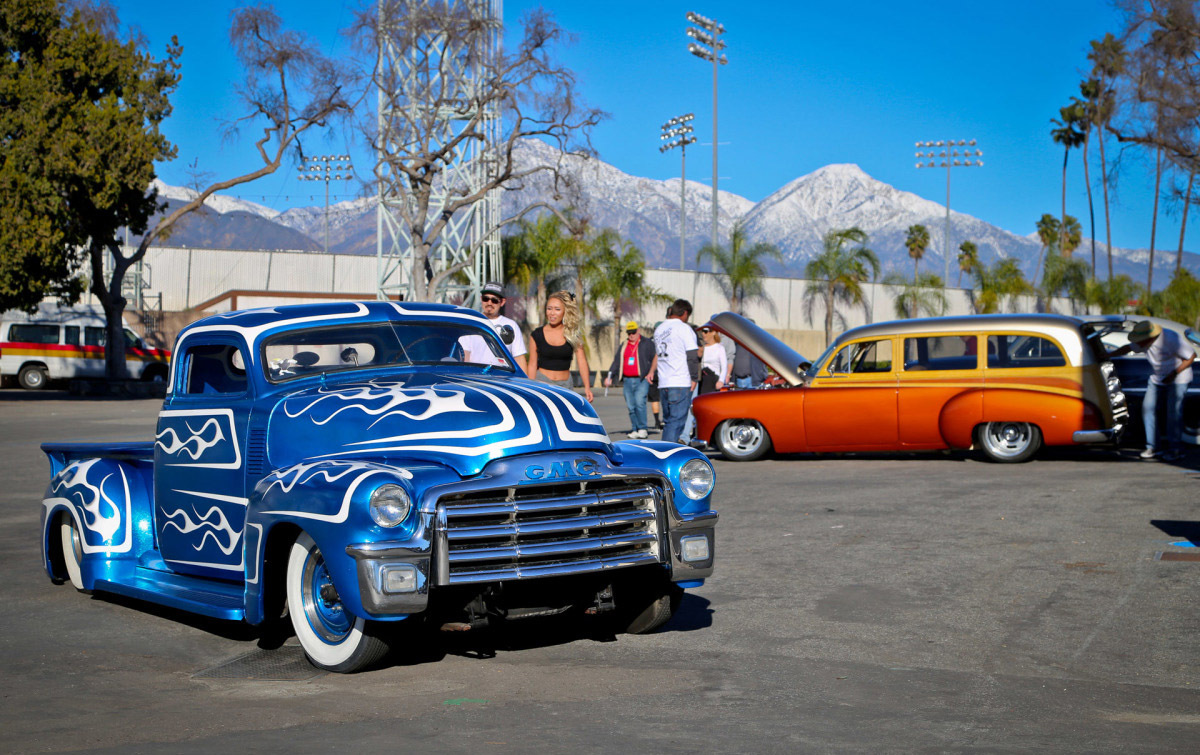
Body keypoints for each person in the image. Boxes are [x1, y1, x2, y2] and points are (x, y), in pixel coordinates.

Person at [1109, 319, 1195, 461]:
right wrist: (1109, 355)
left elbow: (1191, 356)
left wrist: (1173, 374)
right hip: (1157, 378)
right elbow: (1128, 348)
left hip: (1179, 379)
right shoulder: (1143, 342)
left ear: (1150, 337)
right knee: (1148, 409)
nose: (1139, 344)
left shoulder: (1171, 338)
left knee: (1173, 413)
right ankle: (1153, 447)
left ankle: (1176, 449)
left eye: (1141, 340)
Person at [527, 290, 593, 402]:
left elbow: (582, 361)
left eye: (557, 309)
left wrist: (587, 387)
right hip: (542, 384)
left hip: (565, 386)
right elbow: (532, 364)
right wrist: (529, 388)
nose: (552, 313)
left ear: (565, 312)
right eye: (549, 308)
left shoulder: (572, 334)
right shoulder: (536, 335)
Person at [653, 299, 700, 444]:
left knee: (669, 422)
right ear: (685, 313)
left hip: (664, 382)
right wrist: (694, 378)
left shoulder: (659, 329)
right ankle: (666, 454)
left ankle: (664, 449)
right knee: (676, 423)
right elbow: (692, 355)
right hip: (679, 381)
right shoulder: (684, 328)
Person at [604, 321, 657, 438]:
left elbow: (655, 357)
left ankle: (643, 428)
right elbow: (617, 362)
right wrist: (610, 376)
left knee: (639, 402)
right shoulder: (624, 345)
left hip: (641, 379)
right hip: (627, 380)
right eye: (629, 333)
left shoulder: (647, 343)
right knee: (631, 406)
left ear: (638, 331)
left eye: (633, 332)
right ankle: (635, 428)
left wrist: (651, 372)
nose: (631, 335)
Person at [460, 281, 527, 371]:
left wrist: (523, 383)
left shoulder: (511, 325)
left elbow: (519, 358)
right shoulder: (472, 323)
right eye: (486, 299)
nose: (489, 303)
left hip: (503, 379)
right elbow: (466, 356)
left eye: (494, 300)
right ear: (481, 299)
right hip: (476, 378)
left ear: (502, 302)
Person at [697, 325, 727, 395]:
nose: (703, 334)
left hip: (714, 379)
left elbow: (724, 366)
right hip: (702, 379)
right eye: (702, 332)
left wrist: (721, 380)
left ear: (713, 332)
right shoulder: (702, 347)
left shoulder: (719, 348)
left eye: (706, 332)